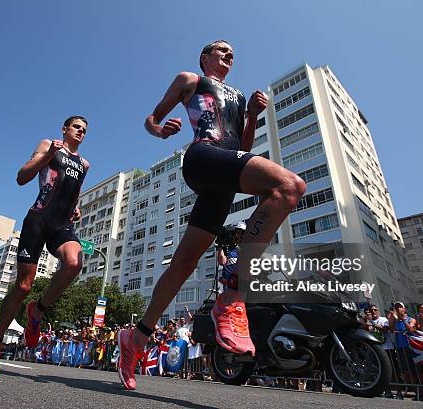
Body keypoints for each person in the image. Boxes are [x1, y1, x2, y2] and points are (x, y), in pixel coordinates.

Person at [117, 40, 306, 390]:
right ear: (205, 57)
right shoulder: (190, 79)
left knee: (183, 264)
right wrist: (158, 130)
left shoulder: (236, 95)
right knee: (290, 186)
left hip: (223, 177)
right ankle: (233, 295)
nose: (229, 54)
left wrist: (252, 116)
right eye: (221, 49)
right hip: (203, 157)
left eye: (232, 51)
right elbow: (152, 118)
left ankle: (136, 337)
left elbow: (243, 147)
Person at [0, 116, 90, 373]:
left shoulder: (84, 164)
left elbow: (72, 191)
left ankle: (37, 310)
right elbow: (22, 177)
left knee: (74, 263)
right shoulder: (48, 145)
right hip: (38, 218)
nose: (81, 132)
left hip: (61, 225)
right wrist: (49, 154)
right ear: (65, 129)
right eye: (76, 127)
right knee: (24, 286)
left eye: (85, 130)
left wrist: (75, 208)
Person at [216, 221, 246, 290]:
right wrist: (220, 246)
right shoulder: (226, 248)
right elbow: (222, 262)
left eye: (240, 233)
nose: (238, 236)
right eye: (237, 233)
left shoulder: (243, 249)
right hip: (229, 287)